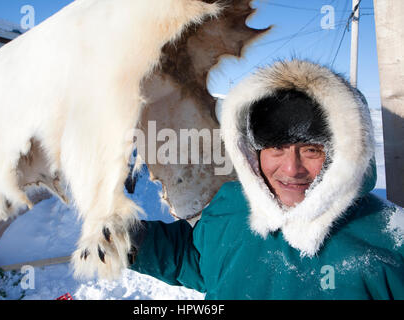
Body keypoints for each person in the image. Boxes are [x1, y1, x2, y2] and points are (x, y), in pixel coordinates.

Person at [128, 60, 404, 299]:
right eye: (276, 148)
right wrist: (134, 240)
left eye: (311, 150)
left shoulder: (391, 240)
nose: (291, 169)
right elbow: (203, 260)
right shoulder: (232, 205)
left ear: (345, 153)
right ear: (252, 152)